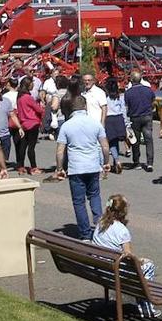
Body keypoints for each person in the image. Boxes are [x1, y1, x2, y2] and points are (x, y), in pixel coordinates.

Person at [91, 195, 160, 318]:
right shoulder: (122, 230)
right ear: (123, 212)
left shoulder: (100, 223)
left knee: (141, 266)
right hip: (115, 272)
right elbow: (128, 256)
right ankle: (146, 306)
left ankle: (144, 303)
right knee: (149, 265)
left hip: (100, 269)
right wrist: (140, 261)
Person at [54, 95, 111, 241]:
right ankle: (99, 225)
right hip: (93, 165)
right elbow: (105, 146)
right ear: (85, 106)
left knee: (79, 202)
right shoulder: (95, 123)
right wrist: (106, 162)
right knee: (94, 195)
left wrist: (59, 168)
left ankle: (85, 233)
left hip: (76, 168)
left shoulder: (67, 125)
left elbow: (60, 150)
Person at [124, 70, 157, 172]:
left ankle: (136, 162)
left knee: (135, 140)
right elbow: (153, 101)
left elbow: (127, 106)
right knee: (149, 139)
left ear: (131, 80)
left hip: (135, 117)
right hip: (147, 116)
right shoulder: (148, 90)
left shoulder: (128, 93)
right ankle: (150, 163)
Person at [15, 75, 44, 175]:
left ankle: (21, 166)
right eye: (32, 83)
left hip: (24, 123)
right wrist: (42, 106)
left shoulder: (19, 97)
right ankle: (33, 167)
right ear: (28, 85)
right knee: (31, 147)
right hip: (32, 122)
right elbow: (38, 109)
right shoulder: (28, 97)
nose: (33, 85)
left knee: (23, 146)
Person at [102, 78, 128, 175]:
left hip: (109, 119)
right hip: (119, 119)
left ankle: (113, 161)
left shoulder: (105, 97)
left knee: (108, 142)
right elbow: (124, 110)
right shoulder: (119, 97)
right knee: (115, 142)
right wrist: (126, 123)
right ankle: (116, 160)